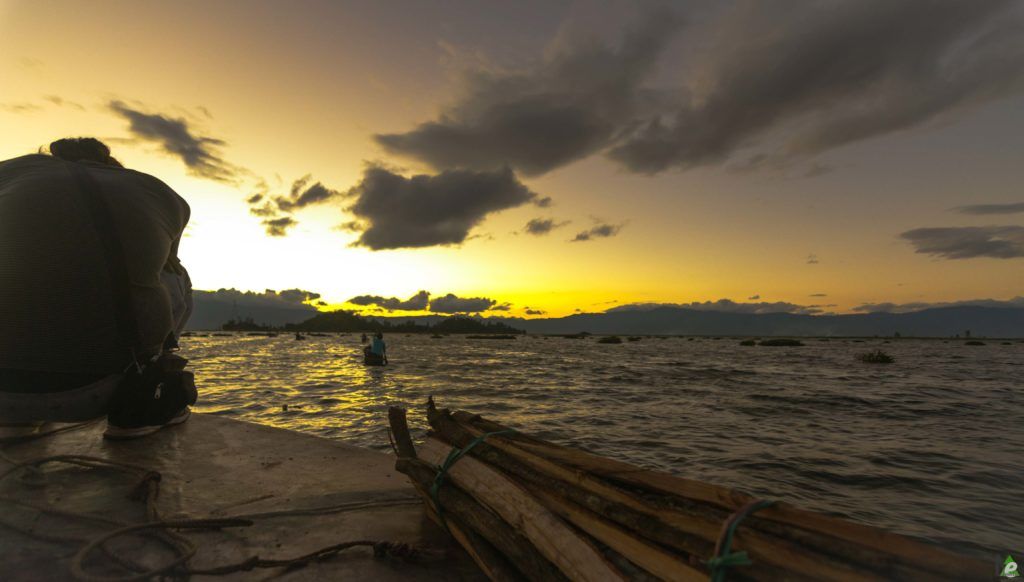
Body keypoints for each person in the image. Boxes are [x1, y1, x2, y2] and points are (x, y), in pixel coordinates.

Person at [0, 137, 195, 438]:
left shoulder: (11, 173)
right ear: (111, 166)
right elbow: (160, 266)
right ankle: (146, 385)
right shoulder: (157, 192)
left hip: (5, 394)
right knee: (172, 272)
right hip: (108, 391)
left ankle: (16, 418)